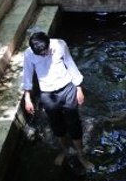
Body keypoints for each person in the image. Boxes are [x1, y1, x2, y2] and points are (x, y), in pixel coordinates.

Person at [22, 31, 93, 169]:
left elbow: (70, 64)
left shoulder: (60, 44)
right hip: (47, 94)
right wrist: (27, 98)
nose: (43, 54)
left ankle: (80, 155)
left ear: (49, 43)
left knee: (74, 123)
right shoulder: (29, 54)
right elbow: (27, 74)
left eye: (45, 51)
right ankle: (65, 151)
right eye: (40, 54)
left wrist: (78, 87)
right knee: (57, 125)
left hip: (67, 89)